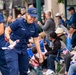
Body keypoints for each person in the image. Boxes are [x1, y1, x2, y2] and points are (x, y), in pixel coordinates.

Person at [5, 7, 43, 75]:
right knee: (14, 70)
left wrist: (40, 54)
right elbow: (7, 30)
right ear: (27, 14)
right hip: (13, 48)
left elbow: (36, 40)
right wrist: (9, 39)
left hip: (23, 49)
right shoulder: (18, 22)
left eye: (34, 17)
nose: (33, 19)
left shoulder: (34, 26)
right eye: (31, 17)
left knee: (24, 71)